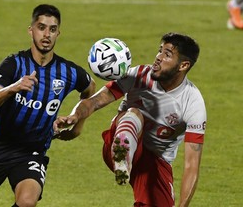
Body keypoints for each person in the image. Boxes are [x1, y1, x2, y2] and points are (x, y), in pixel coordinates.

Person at [0, 4, 95, 207]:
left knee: (27, 201)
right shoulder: (14, 64)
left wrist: (77, 124)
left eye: (52, 29)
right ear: (31, 30)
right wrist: (13, 87)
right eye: (41, 27)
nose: (46, 34)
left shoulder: (69, 71)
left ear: (58, 33)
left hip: (32, 152)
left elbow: (90, 89)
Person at [54, 32, 207, 206]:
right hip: (117, 140)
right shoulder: (139, 75)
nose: (158, 57)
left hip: (155, 162)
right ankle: (123, 154)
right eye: (160, 50)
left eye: (167, 54)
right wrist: (75, 115)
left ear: (183, 65)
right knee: (135, 113)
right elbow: (95, 101)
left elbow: (191, 166)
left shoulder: (193, 104)